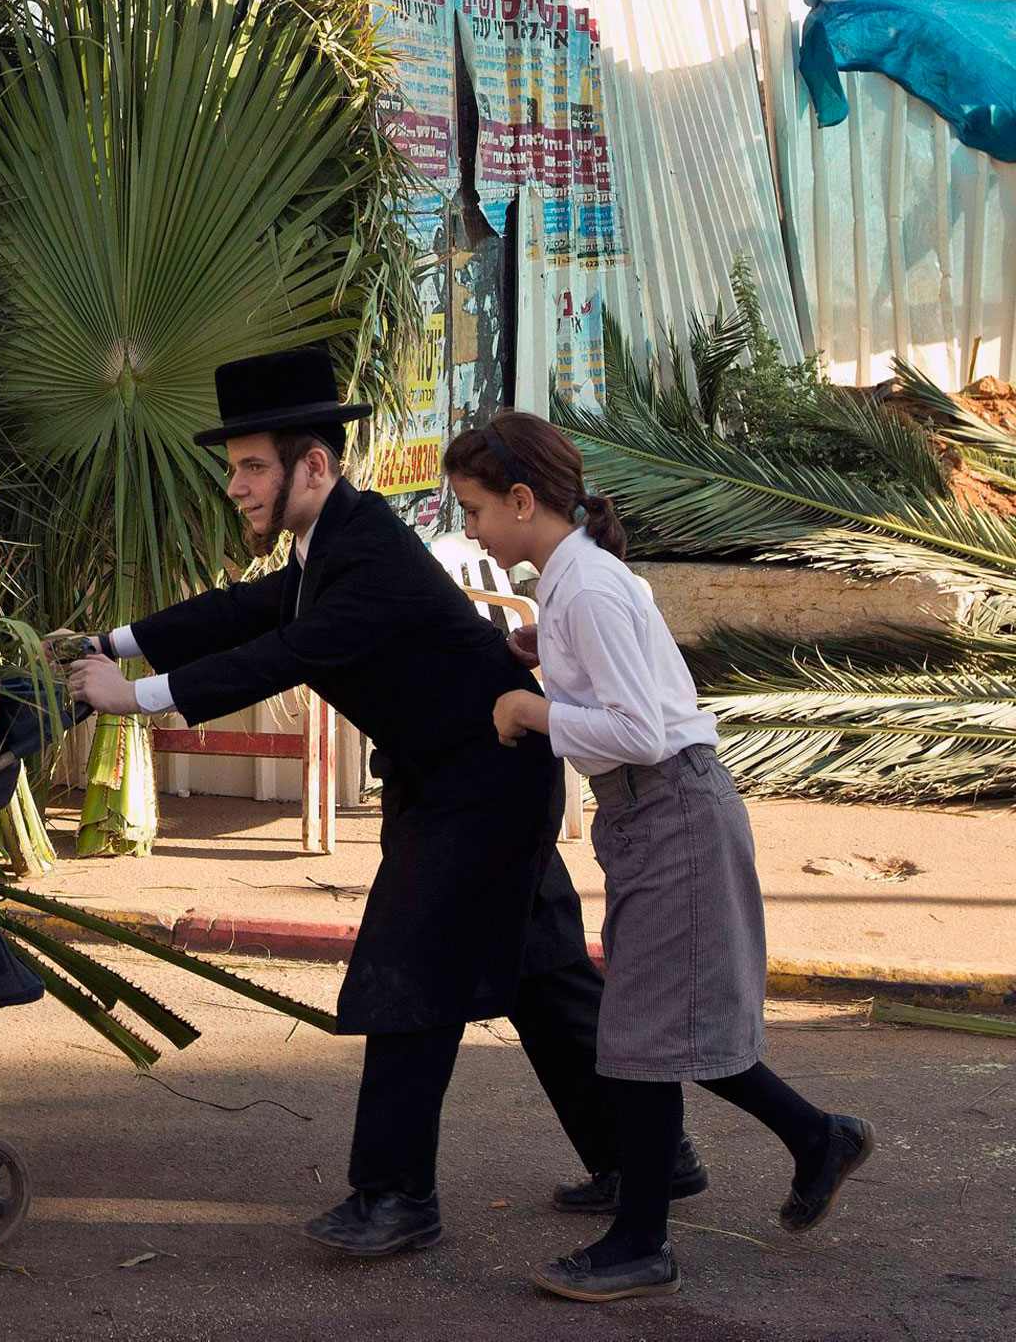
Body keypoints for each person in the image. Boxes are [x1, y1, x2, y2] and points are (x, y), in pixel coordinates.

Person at [62, 348, 670, 1259]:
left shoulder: (369, 552)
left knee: (407, 974)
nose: (235, 486)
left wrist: (138, 697)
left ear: (314, 465)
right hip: (461, 777)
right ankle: (645, 1155)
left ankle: (395, 1196)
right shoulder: (329, 543)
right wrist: (108, 642)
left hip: (482, 782)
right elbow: (242, 613)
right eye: (233, 468)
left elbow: (283, 655)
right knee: (542, 970)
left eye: (252, 466)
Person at [442, 409, 874, 1303]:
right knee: (670, 1025)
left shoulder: (586, 588)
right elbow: (628, 685)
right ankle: (816, 1139)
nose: (471, 528)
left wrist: (533, 710)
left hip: (669, 806)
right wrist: (552, 659)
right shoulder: (576, 582)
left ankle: (642, 1242)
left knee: (642, 1034)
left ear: (521, 500)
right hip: (658, 813)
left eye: (475, 509)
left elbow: (638, 730)